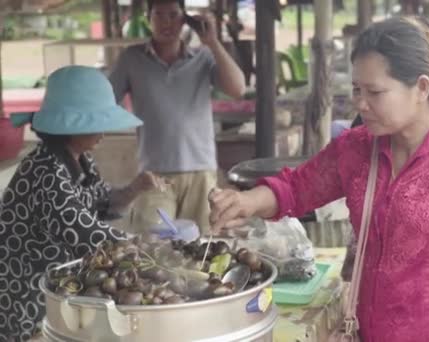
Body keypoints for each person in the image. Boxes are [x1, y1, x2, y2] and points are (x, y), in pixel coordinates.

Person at [209, 18, 429, 341]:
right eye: (356, 89)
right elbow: (297, 188)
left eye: (375, 92)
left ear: (421, 88)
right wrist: (245, 201)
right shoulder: (356, 149)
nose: (360, 104)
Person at [0, 66, 165, 342]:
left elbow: (102, 203)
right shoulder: (46, 173)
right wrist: (153, 250)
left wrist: (136, 187)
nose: (103, 132)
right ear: (69, 126)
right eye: (95, 122)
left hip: (54, 291)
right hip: (24, 301)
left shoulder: (79, 159)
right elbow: (89, 236)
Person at [109, 0, 246, 235]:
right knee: (153, 250)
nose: (166, 22)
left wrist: (212, 42)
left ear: (185, 19)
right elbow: (107, 100)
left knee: (202, 248)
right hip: (154, 174)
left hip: (200, 171)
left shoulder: (203, 57)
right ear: (148, 19)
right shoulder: (131, 59)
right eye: (159, 15)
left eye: (173, 15)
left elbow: (238, 88)